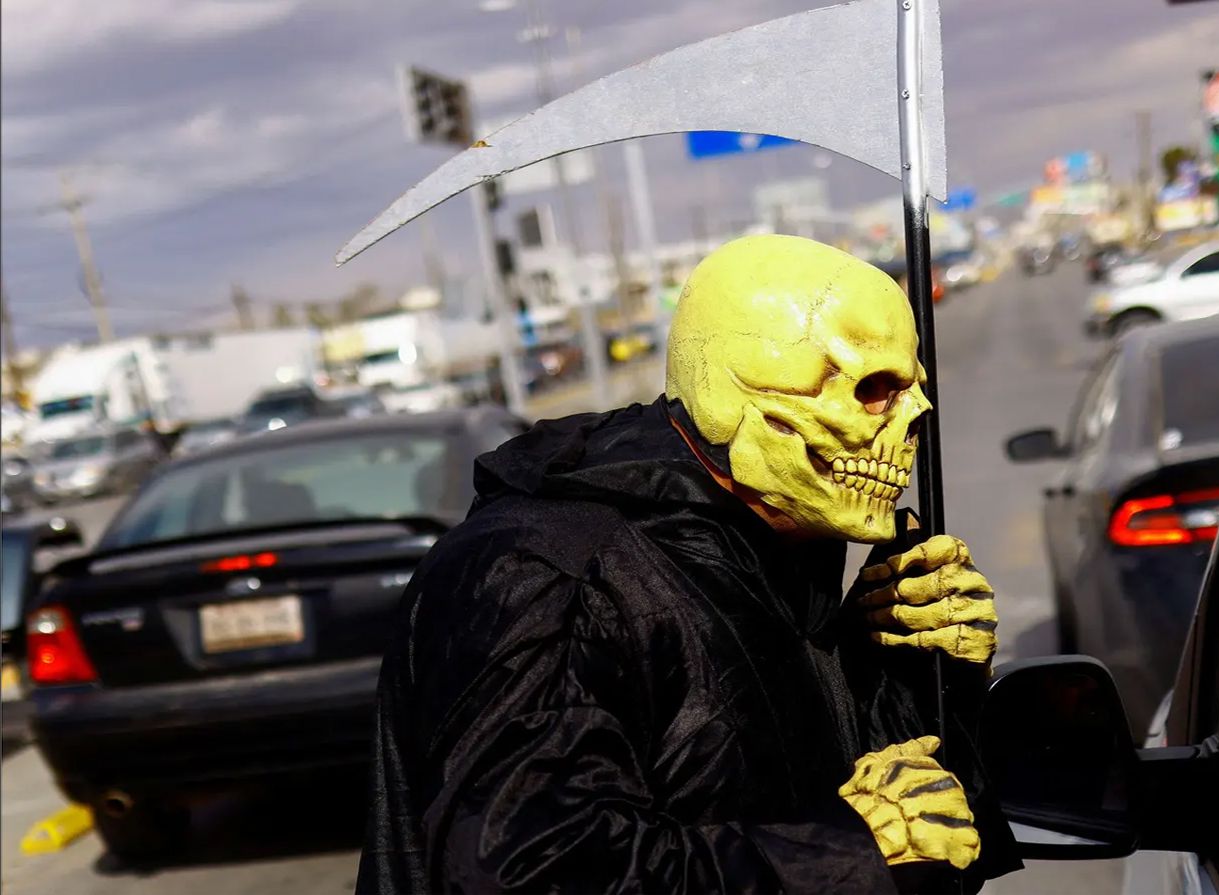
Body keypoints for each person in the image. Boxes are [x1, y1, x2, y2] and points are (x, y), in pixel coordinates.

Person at [358, 235, 1017, 893]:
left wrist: (913, 668)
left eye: (914, 390)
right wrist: (842, 851)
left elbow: (843, 804)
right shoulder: (546, 579)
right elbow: (533, 870)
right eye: (875, 389)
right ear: (737, 394)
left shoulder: (777, 540)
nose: (916, 417)